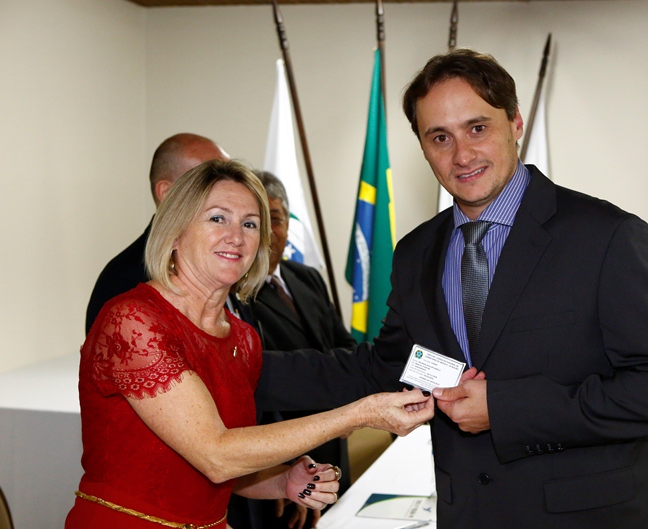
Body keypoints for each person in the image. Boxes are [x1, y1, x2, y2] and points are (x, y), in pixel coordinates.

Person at [257, 49, 648, 528]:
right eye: (440, 137)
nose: (462, 155)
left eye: (477, 128)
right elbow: (384, 367)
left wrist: (505, 408)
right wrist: (234, 365)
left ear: (515, 122)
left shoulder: (604, 236)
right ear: (423, 147)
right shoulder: (416, 253)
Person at [65, 159, 434, 528]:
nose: (236, 236)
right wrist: (359, 415)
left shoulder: (242, 338)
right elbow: (215, 455)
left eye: (250, 223)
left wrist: (284, 480)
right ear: (174, 231)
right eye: (217, 218)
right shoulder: (133, 322)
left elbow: (221, 469)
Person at [227, 171, 357, 529]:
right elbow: (263, 384)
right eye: (258, 222)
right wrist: (283, 471)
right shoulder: (236, 296)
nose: (270, 233)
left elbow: (344, 345)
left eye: (277, 219)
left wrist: (349, 409)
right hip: (283, 462)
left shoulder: (307, 277)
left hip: (334, 449)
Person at [85, 133, 230, 334]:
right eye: (209, 181)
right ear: (167, 193)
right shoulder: (127, 280)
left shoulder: (227, 260)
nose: (229, 191)